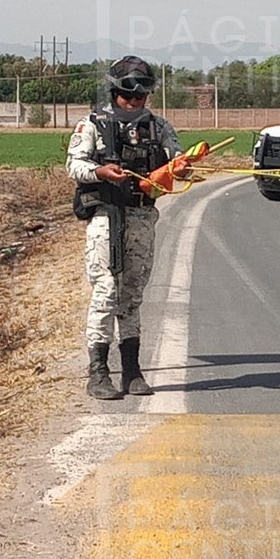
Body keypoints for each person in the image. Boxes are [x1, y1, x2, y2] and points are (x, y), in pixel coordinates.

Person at [66, 55, 187, 400]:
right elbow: (74, 165)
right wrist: (101, 172)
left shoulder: (159, 127)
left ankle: (132, 371)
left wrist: (180, 170)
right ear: (115, 92)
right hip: (106, 217)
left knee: (132, 297)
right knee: (106, 291)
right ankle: (99, 372)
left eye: (141, 97)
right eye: (127, 96)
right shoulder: (92, 125)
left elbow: (177, 161)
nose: (134, 103)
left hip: (141, 219)